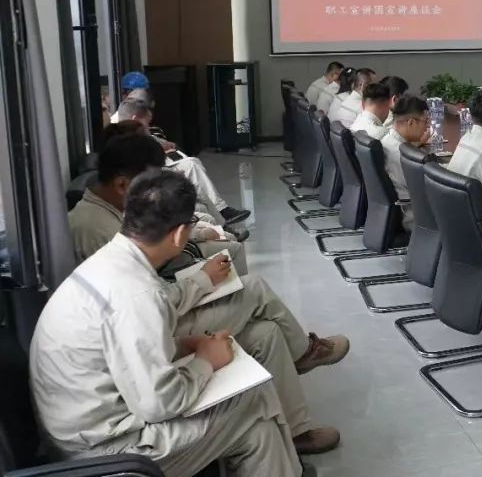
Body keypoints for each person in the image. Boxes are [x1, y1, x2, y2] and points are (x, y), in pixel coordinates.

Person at [30, 170, 344, 476]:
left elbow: (130, 349)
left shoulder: (111, 262)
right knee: (255, 398)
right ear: (181, 234)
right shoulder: (138, 295)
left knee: (258, 423)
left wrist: (184, 345)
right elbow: (160, 404)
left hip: (92, 426)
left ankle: (286, 464)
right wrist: (206, 360)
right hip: (109, 450)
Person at [69, 131, 248, 271]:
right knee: (236, 257)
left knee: (228, 244)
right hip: (161, 284)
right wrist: (202, 278)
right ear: (122, 184)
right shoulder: (95, 230)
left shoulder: (114, 205)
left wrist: (195, 235)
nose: (153, 191)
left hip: (159, 275)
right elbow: (144, 288)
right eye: (149, 185)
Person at [114, 100, 250, 226]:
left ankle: (222, 218)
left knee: (194, 169)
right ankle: (222, 217)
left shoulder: (133, 129)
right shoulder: (122, 138)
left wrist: (164, 144)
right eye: (147, 123)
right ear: (135, 119)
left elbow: (158, 143)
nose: (148, 126)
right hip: (149, 176)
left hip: (156, 168)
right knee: (192, 167)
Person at [379, 95, 430, 231]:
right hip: (412, 215)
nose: (427, 127)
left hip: (402, 209)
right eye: (425, 121)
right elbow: (426, 190)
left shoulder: (389, 140)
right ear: (411, 122)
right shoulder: (403, 155)